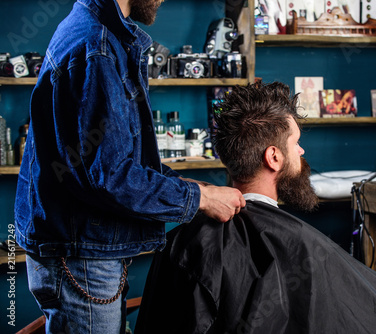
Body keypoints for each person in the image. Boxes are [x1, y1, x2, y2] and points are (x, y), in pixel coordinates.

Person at [136, 82, 376, 333]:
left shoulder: (182, 241)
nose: (302, 152)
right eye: (296, 144)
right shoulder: (296, 243)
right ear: (274, 157)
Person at [14, 0, 245, 332]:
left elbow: (117, 159)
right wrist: (201, 200)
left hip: (81, 249)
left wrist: (198, 189)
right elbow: (109, 175)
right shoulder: (97, 47)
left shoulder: (98, 35)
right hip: (82, 256)